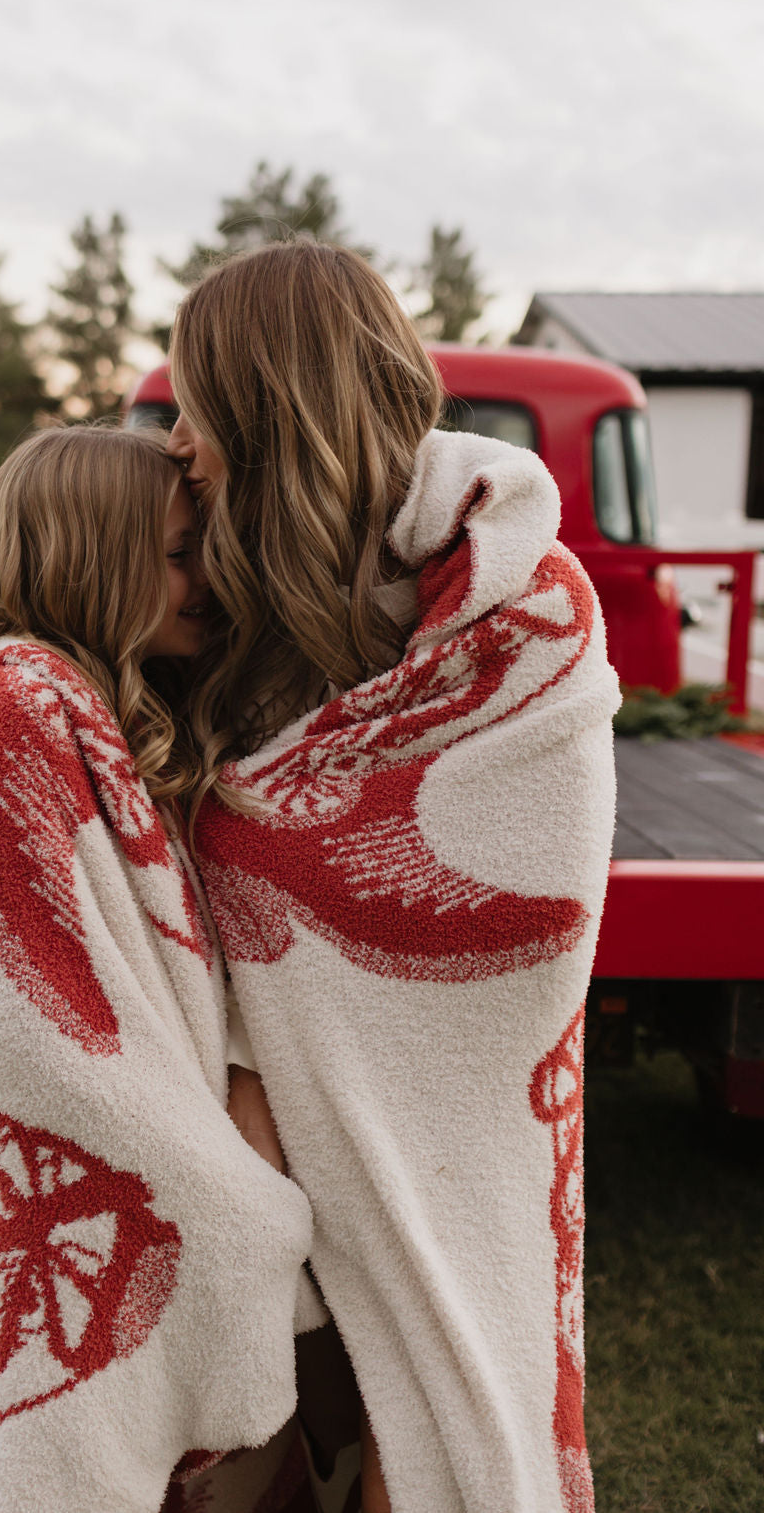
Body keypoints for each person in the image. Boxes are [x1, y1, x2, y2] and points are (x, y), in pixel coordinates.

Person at [166, 241, 621, 1513]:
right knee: (259, 1446)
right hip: (240, 1141)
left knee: (423, 1441)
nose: (179, 440)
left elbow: (534, 908)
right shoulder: (222, 611)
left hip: (447, 1126)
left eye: (196, 402)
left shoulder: (517, 607)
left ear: (262, 403)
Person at [0, 423, 322, 1513]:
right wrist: (231, 1197)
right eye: (177, 550)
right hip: (105, 1182)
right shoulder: (21, 710)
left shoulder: (109, 707)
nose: (205, 578)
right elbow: (40, 1022)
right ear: (87, 553)